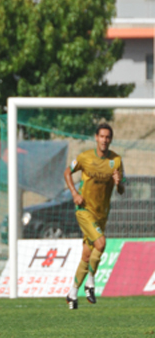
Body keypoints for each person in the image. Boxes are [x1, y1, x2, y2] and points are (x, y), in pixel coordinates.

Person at [64, 123, 125, 310]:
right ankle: (90, 283)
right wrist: (74, 193)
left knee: (87, 253)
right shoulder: (85, 158)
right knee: (101, 243)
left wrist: (118, 183)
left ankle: (72, 293)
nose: (105, 140)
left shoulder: (116, 161)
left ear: (110, 139)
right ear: (96, 138)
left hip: (101, 214)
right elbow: (68, 171)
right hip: (84, 210)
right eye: (102, 136)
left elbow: (121, 190)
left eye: (108, 137)